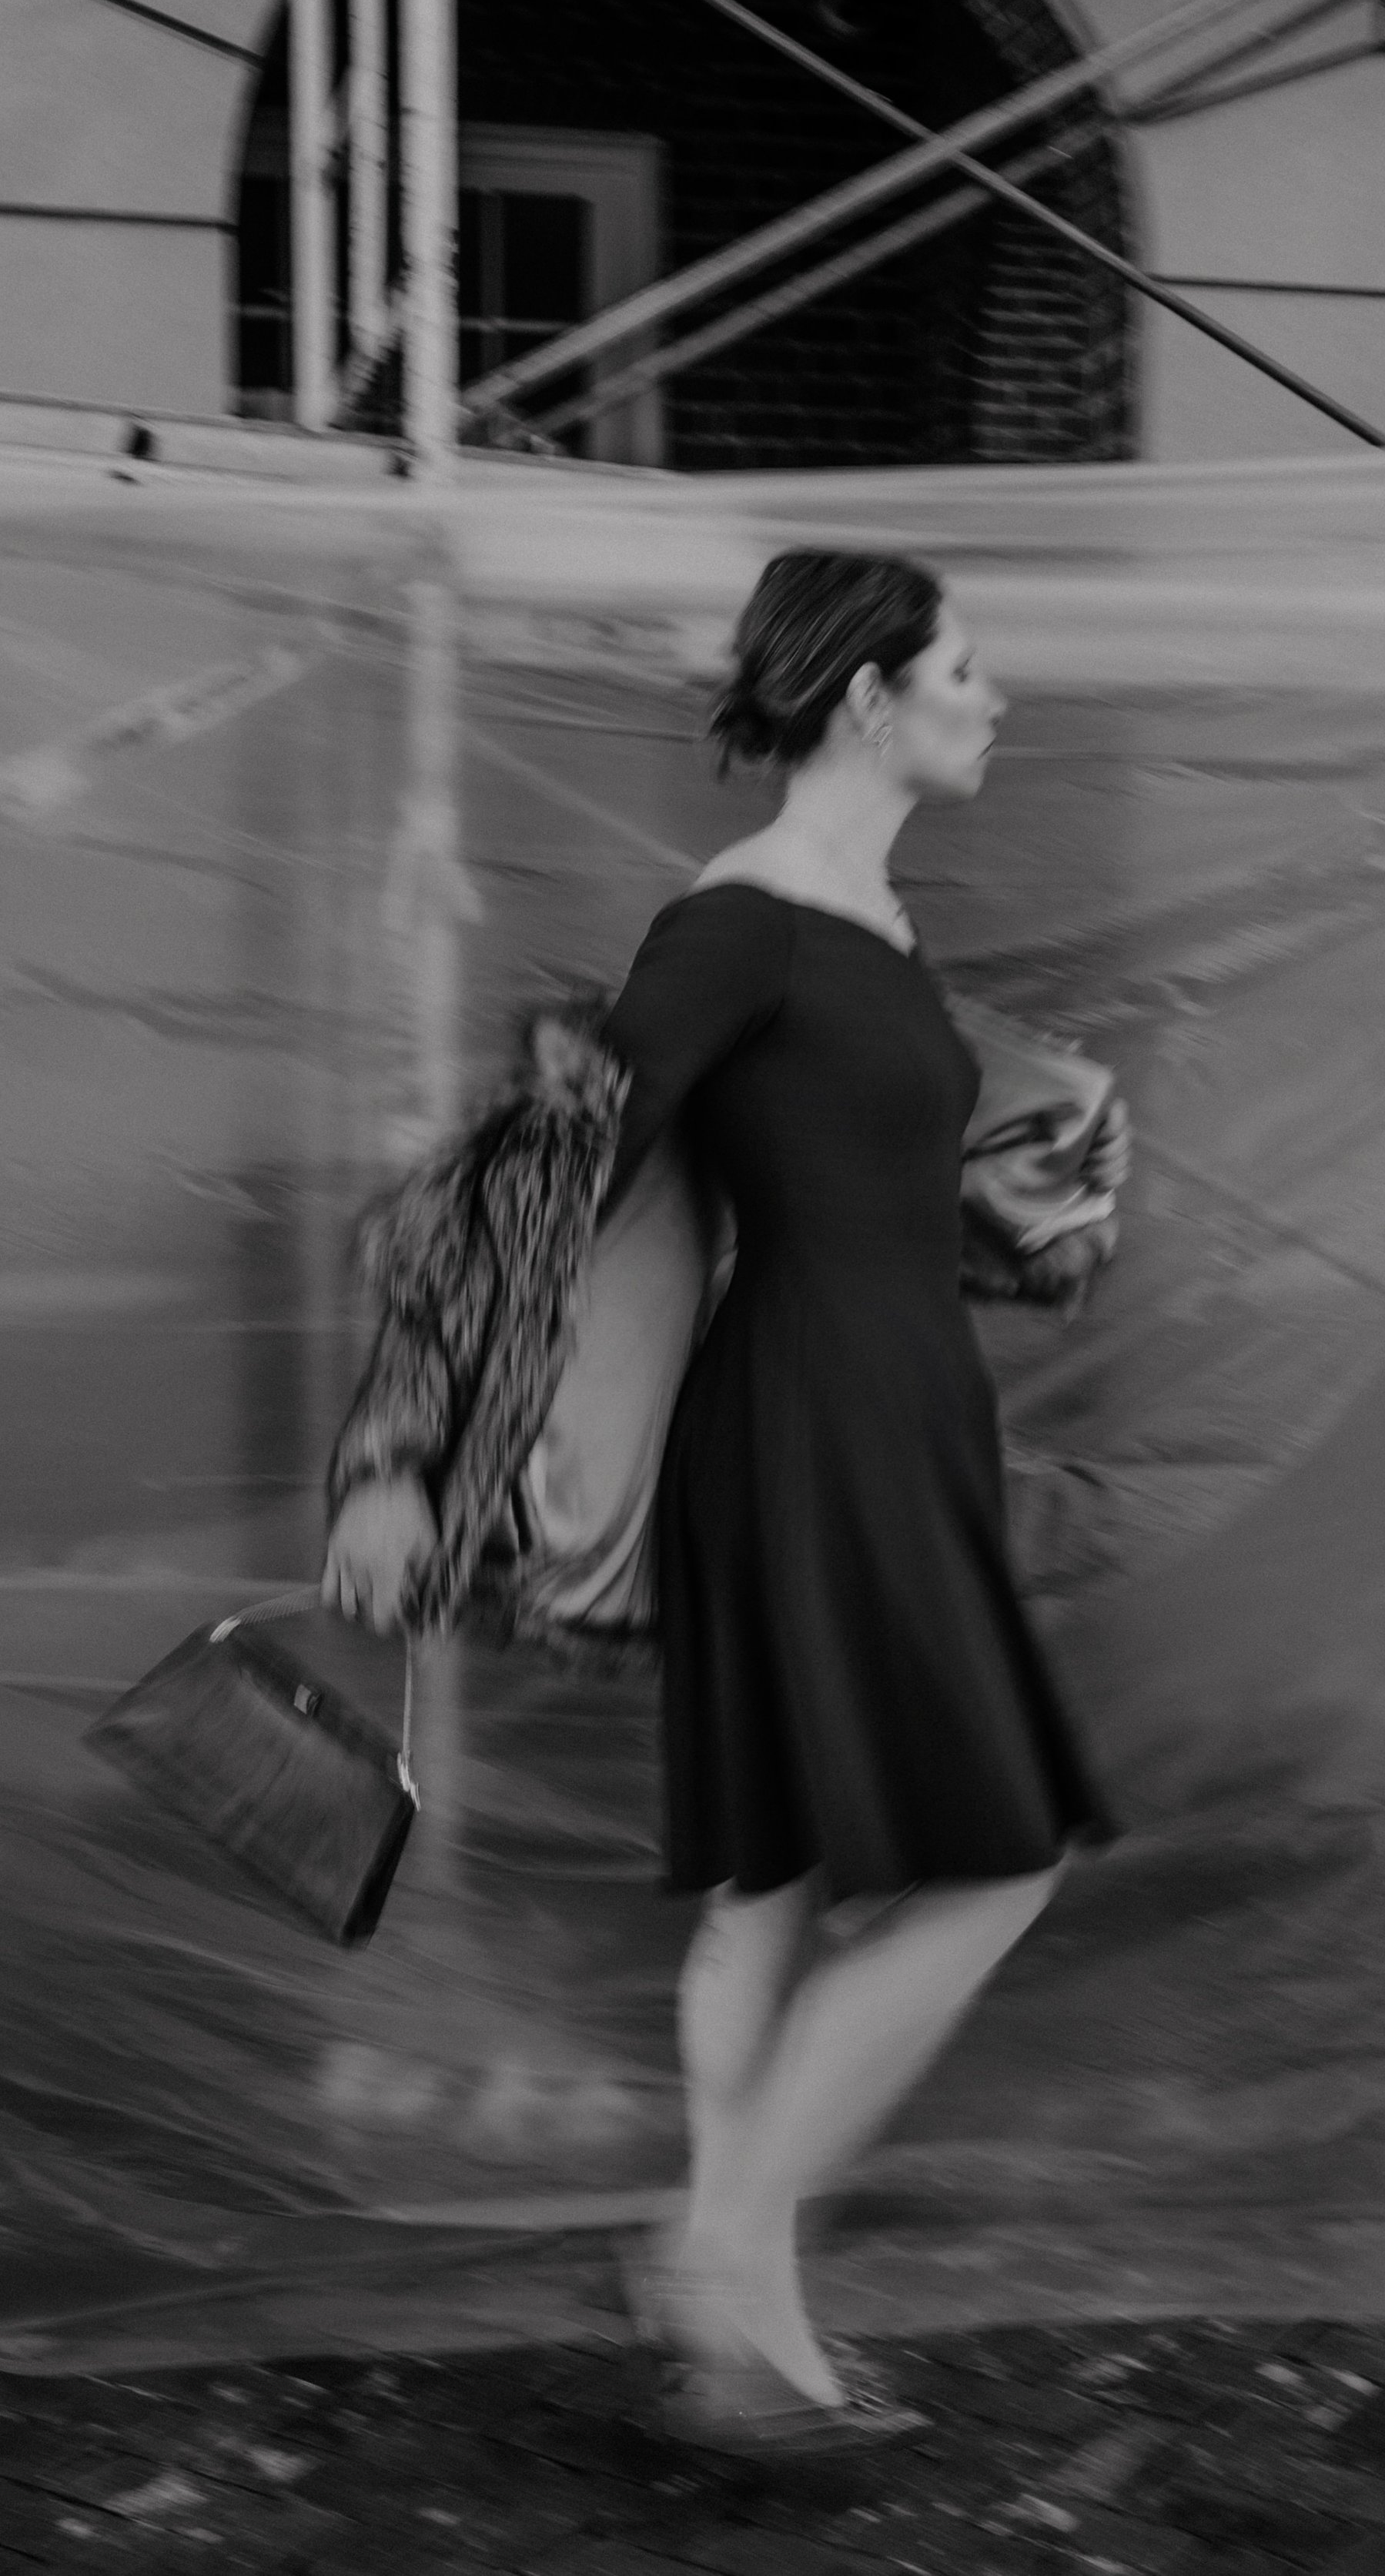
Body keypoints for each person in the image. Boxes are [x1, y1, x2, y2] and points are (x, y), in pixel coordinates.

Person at [337, 549, 1124, 2451]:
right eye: (963, 666)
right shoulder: (743, 925)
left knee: (773, 1885)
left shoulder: (874, 928)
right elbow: (542, 1178)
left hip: (891, 1412)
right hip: (817, 1430)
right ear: (866, 695)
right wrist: (400, 1459)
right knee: (991, 1865)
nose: (992, 695)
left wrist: (1027, 1185)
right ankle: (719, 2245)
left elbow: (859, 1184)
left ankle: (749, 2317)